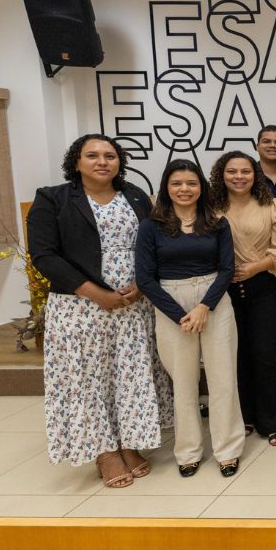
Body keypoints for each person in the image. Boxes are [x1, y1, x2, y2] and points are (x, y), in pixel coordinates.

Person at [27, 134, 172, 488]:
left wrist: (142, 283)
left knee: (129, 375)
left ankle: (128, 442)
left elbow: (154, 244)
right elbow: (45, 255)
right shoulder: (53, 199)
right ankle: (104, 452)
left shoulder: (136, 196)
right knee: (87, 380)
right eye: (91, 155)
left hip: (132, 307)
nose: (102, 161)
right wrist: (93, 292)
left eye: (110, 155)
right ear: (76, 162)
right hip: (80, 308)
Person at [135, 160, 242, 478]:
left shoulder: (217, 223)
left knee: (223, 380)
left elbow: (227, 270)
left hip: (214, 301)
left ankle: (228, 449)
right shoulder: (151, 227)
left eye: (191, 183)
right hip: (171, 304)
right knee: (183, 383)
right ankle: (188, 451)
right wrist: (180, 314)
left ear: (201, 187)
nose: (184, 189)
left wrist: (203, 307)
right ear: (167, 187)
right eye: (177, 183)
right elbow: (145, 279)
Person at [209, 151, 276, 447]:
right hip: (222, 290)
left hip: (263, 286)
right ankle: (244, 417)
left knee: (264, 353)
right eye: (232, 171)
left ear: (255, 174)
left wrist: (255, 267)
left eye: (245, 171)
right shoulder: (210, 207)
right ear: (221, 175)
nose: (238, 177)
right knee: (234, 355)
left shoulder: (271, 205)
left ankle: (273, 421)